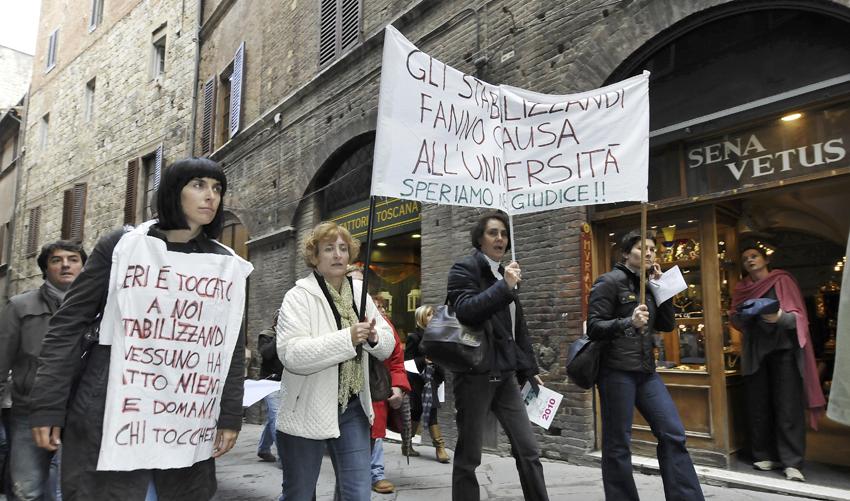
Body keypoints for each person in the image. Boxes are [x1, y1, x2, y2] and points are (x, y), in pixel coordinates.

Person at [28, 158, 251, 500]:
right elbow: (67, 325)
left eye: (217, 188)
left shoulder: (228, 266)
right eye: (198, 185)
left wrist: (230, 415)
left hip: (186, 414)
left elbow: (231, 345)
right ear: (173, 193)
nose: (210, 196)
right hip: (114, 407)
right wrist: (48, 406)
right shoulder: (123, 247)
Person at [275, 221, 394, 501]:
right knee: (299, 494)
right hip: (306, 408)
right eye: (329, 249)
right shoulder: (298, 296)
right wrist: (348, 338)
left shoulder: (360, 293)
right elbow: (292, 355)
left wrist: (374, 338)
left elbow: (388, 344)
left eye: (343, 248)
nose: (338, 255)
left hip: (352, 406)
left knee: (357, 494)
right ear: (315, 257)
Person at [587, 230, 704, 501]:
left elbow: (667, 324)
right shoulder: (608, 282)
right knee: (618, 444)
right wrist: (629, 321)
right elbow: (594, 327)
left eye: (653, 248)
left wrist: (663, 290)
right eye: (643, 248)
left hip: (646, 372)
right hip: (616, 372)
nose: (650, 252)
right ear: (627, 253)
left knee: (672, 432)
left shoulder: (649, 284)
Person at [446, 211, 548, 501]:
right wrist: (504, 287)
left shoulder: (507, 273)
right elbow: (466, 311)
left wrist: (528, 368)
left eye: (504, 233)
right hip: (474, 375)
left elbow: (517, 327)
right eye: (493, 232)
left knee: (528, 450)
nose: (500, 238)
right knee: (469, 456)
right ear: (480, 239)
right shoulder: (464, 269)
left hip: (504, 375)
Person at [730, 242, 825, 482]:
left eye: (754, 256)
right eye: (745, 259)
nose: (750, 260)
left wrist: (779, 316)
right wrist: (740, 317)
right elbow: (736, 321)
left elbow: (799, 319)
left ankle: (791, 461)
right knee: (758, 405)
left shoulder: (782, 280)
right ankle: (764, 454)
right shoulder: (741, 288)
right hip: (755, 354)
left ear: (765, 259)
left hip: (783, 351)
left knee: (787, 406)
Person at [0, 240, 87, 501]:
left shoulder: (96, 307)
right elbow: (2, 358)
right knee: (26, 487)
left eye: (73, 259)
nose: (65, 265)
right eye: (56, 260)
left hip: (80, 410)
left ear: (84, 267)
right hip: (30, 409)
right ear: (45, 268)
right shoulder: (19, 306)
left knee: (76, 487)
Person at [367, 294, 410, 494]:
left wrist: (398, 386)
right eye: (378, 307)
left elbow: (396, 360)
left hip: (376, 389)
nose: (382, 311)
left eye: (382, 307)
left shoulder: (386, 326)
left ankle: (376, 473)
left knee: (374, 434)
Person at [404, 304, 449, 463]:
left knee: (417, 411)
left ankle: (406, 444)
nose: (433, 317)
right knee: (430, 411)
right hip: (419, 382)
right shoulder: (414, 337)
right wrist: (423, 360)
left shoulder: (436, 335)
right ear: (422, 317)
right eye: (429, 314)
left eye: (433, 314)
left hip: (434, 379)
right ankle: (440, 447)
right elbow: (407, 362)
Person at [257, 317, 283, 464]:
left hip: (285, 382)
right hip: (269, 382)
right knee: (276, 417)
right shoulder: (266, 335)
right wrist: (279, 336)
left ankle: (263, 449)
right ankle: (284, 457)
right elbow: (266, 354)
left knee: (273, 418)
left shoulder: (291, 334)